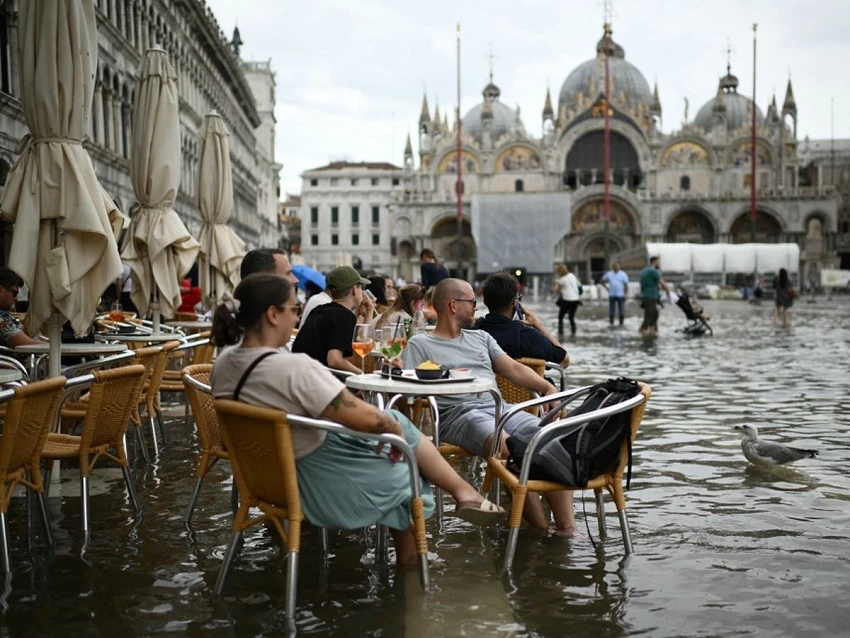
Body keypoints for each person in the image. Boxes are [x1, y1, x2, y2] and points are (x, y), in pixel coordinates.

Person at [209, 273, 505, 567]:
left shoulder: (223, 364)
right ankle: (416, 555)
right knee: (404, 464)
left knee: (393, 423)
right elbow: (366, 419)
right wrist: (393, 431)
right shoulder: (292, 368)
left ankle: (459, 496)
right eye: (294, 309)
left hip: (264, 478)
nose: (297, 317)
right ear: (273, 315)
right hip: (312, 481)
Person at [405, 278, 577, 535]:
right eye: (472, 302)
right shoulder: (420, 344)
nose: (476, 307)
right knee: (509, 448)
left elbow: (513, 368)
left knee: (549, 438)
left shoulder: (482, 337)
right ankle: (541, 532)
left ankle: (566, 531)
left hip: (499, 408)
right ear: (453, 305)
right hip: (458, 414)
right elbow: (406, 391)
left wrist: (548, 388)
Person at [473, 273, 569, 367]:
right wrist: (538, 325)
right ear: (515, 303)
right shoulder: (529, 337)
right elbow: (564, 361)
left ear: (484, 301)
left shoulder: (473, 331)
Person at [292, 265, 375, 374]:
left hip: (298, 374)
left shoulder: (318, 310)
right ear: (354, 290)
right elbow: (335, 360)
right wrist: (360, 374)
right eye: (361, 288)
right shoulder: (344, 316)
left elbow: (363, 339)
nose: (363, 292)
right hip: (316, 378)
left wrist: (370, 310)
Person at [0, 267, 42, 347]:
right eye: (15, 293)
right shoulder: (2, 318)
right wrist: (53, 346)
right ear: (0, 290)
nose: (16, 299)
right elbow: (25, 343)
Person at [639, 256, 669, 336]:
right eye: (658, 262)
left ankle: (652, 329)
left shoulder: (645, 270)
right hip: (650, 296)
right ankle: (643, 330)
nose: (659, 264)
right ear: (655, 262)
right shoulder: (653, 271)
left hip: (645, 295)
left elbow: (651, 283)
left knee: (651, 313)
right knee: (652, 313)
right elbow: (662, 282)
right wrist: (668, 290)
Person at [600, 261, 629, 326]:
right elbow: (602, 281)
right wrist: (607, 288)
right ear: (612, 267)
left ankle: (621, 324)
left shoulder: (623, 274)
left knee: (621, 311)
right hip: (612, 295)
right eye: (614, 266)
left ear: (619, 266)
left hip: (620, 295)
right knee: (611, 311)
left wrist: (626, 294)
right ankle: (611, 323)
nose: (615, 267)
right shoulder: (609, 274)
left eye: (617, 266)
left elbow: (626, 285)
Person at [554, 264, 580, 336]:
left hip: (567, 300)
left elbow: (557, 291)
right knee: (571, 317)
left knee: (560, 317)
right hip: (575, 300)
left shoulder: (561, 280)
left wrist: (556, 283)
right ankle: (573, 332)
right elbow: (577, 285)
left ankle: (560, 332)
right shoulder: (572, 275)